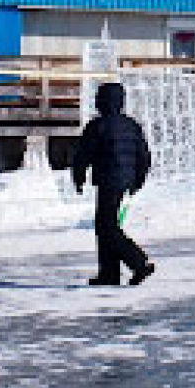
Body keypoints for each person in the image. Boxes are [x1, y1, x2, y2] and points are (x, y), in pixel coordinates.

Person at [71, 82, 155, 287]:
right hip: (125, 181)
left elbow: (83, 155)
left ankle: (138, 262)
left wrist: (78, 177)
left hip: (108, 180)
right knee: (107, 226)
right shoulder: (131, 124)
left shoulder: (97, 126)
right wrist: (138, 180)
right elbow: (144, 155)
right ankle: (109, 273)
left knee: (106, 227)